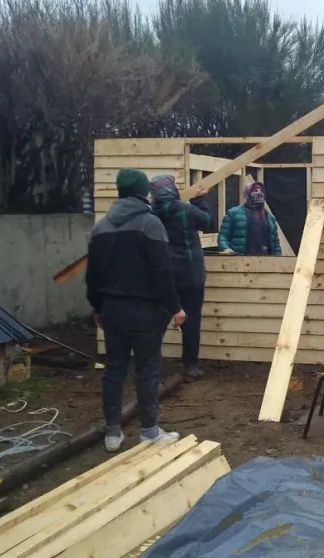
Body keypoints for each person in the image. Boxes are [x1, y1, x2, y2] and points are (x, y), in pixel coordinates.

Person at [85, 168, 186, 452]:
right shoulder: (150, 224)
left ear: (119, 191)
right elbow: (162, 272)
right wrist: (176, 308)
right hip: (145, 311)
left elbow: (92, 276)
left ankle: (113, 433)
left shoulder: (100, 227)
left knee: (114, 369)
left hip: (112, 310)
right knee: (147, 370)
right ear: (144, 192)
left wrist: (98, 308)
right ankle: (149, 431)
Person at [149, 174, 213, 382]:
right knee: (191, 320)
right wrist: (199, 200)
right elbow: (208, 222)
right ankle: (190, 366)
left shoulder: (149, 214)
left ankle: (150, 367)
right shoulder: (186, 211)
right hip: (190, 275)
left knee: (156, 322)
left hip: (162, 277)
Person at [218, 181, 282, 256]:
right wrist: (226, 248)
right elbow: (223, 236)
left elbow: (276, 243)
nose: (259, 193)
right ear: (248, 193)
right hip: (240, 259)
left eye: (261, 191)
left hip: (265, 259)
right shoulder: (233, 213)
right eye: (255, 190)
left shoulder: (270, 218)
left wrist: (279, 258)